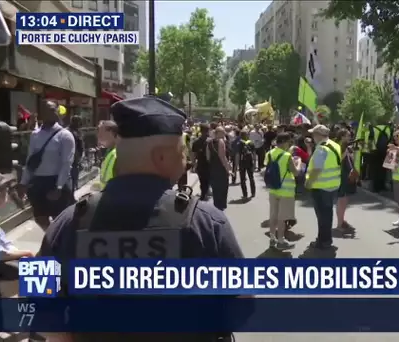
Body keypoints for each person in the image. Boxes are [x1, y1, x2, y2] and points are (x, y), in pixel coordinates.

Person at [36, 96, 244, 342]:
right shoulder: (208, 223)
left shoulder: (67, 223)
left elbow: (36, 298)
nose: (186, 157)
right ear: (162, 157)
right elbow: (242, 307)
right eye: (182, 150)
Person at [17, 100, 76, 230]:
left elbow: (67, 163)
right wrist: (23, 182)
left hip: (56, 181)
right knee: (40, 217)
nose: (50, 113)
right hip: (38, 182)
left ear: (58, 112)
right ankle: (51, 238)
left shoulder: (65, 135)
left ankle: (59, 243)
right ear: (41, 112)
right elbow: (30, 160)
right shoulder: (35, 134)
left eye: (53, 110)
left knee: (61, 220)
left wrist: (59, 187)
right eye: (46, 110)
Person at [0, 171, 35, 298]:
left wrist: (17, 253)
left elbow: (3, 242)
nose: (8, 191)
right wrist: (26, 253)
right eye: (5, 189)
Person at [306, 125, 341, 250]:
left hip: (321, 187)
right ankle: (326, 239)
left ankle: (323, 241)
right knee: (328, 214)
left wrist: (309, 182)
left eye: (314, 134)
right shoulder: (335, 145)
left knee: (322, 217)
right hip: (333, 185)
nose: (312, 137)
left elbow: (317, 169)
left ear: (319, 135)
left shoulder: (321, 149)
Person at [267, 133, 302, 250]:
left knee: (273, 214)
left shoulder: (270, 153)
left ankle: (272, 238)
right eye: (289, 142)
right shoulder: (287, 156)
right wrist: (299, 163)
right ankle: (281, 241)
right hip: (286, 190)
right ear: (285, 142)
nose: (289, 145)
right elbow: (296, 172)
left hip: (273, 188)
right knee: (282, 217)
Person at [334, 128, 356, 233]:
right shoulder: (338, 146)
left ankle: (342, 221)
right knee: (341, 200)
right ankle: (339, 224)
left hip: (347, 175)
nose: (349, 137)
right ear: (342, 136)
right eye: (347, 135)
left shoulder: (347, 147)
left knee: (345, 199)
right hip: (341, 175)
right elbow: (338, 159)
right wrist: (346, 151)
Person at [206, 126, 232, 210]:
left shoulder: (209, 143)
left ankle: (216, 206)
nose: (224, 133)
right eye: (223, 132)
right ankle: (221, 207)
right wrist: (228, 169)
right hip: (221, 169)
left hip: (213, 168)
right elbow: (222, 157)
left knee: (215, 189)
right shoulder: (221, 141)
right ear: (218, 133)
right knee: (223, 188)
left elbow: (208, 157)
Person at [97, 120, 119, 190]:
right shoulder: (109, 151)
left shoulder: (118, 155)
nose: (99, 137)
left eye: (101, 134)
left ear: (111, 133)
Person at [191, 123, 211, 201]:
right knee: (207, 180)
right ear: (208, 131)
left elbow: (193, 155)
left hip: (200, 165)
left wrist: (194, 164)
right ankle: (204, 193)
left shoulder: (196, 142)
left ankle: (204, 194)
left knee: (202, 180)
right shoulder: (211, 141)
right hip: (209, 164)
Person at [238, 130, 256, 199]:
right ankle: (253, 193)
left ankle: (245, 194)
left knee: (242, 179)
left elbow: (237, 155)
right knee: (251, 178)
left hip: (242, 163)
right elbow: (254, 154)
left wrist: (236, 165)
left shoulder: (239, 144)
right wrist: (254, 163)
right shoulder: (251, 143)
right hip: (250, 162)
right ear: (247, 135)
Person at [68, 115, 84, 190]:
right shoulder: (70, 132)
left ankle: (73, 191)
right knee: (72, 176)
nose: (79, 124)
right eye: (78, 122)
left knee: (74, 176)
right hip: (71, 157)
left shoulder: (77, 131)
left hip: (75, 158)